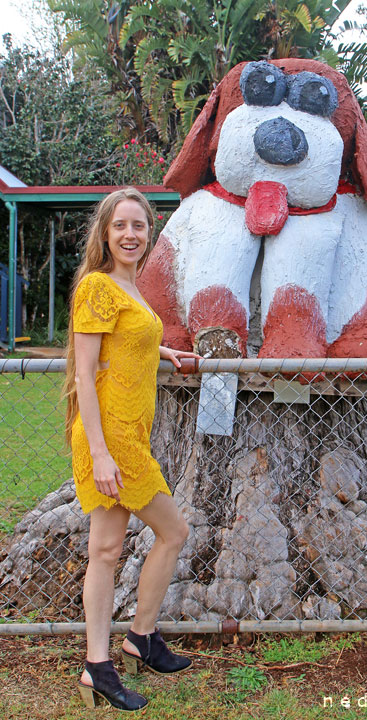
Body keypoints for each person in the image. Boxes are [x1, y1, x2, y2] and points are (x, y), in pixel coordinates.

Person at [63, 188, 200, 712]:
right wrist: (99, 453)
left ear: (149, 233)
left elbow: (128, 341)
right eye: (120, 225)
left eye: (138, 226)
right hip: (110, 438)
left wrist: (162, 349)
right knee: (173, 531)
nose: (129, 234)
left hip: (128, 433)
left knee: (106, 549)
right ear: (105, 232)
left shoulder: (130, 288)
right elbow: (84, 369)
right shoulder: (97, 287)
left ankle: (125, 648)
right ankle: (117, 651)